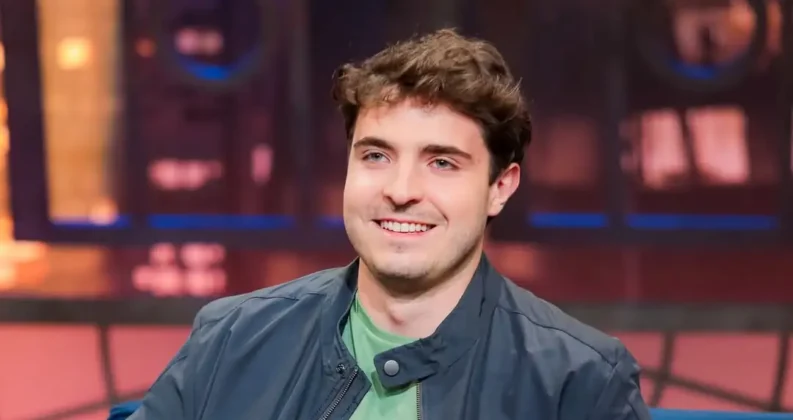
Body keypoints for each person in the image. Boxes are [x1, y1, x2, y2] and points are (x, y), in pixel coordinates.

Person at [130, 28, 651, 419]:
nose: (401, 191)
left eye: (441, 162)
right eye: (376, 156)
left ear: (500, 187)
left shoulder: (580, 383)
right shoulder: (231, 339)